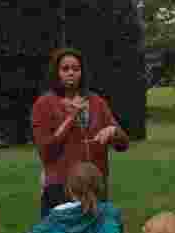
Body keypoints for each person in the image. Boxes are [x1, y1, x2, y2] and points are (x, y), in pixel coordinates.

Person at [31, 47, 130, 218]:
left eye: (76, 69)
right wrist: (71, 117)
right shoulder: (44, 104)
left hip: (95, 187)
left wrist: (114, 131)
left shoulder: (97, 102)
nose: (71, 73)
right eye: (65, 69)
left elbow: (123, 144)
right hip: (60, 188)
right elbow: (46, 151)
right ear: (56, 73)